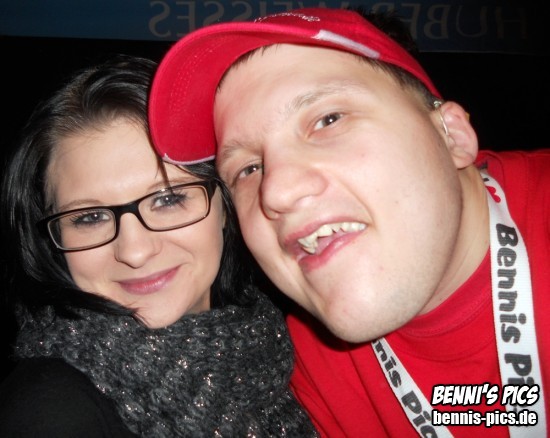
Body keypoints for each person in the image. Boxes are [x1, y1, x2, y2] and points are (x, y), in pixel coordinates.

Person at [146, 6, 550, 438]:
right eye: (249, 169)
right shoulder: (308, 370)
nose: (276, 192)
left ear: (451, 134)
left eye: (328, 120)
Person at [0, 54, 318, 437]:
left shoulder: (283, 348)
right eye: (90, 217)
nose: (135, 252)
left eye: (168, 199)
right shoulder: (50, 406)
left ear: (224, 203)